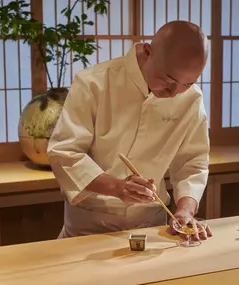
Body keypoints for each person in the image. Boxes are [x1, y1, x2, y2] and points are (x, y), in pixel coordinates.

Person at [47, 20, 213, 241]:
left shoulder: (191, 98)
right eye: (169, 80)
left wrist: (185, 210)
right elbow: (65, 153)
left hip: (151, 226)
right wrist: (117, 187)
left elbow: (192, 162)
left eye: (187, 83)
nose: (175, 93)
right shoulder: (94, 83)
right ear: (147, 52)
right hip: (89, 224)